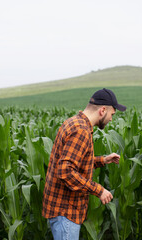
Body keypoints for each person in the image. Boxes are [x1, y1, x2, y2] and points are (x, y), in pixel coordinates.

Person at [42, 88, 127, 240]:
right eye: (112, 115)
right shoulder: (81, 130)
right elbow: (66, 171)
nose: (111, 119)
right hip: (66, 212)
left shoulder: (73, 122)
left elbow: (74, 161)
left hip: (61, 210)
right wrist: (98, 190)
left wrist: (103, 160)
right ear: (102, 110)